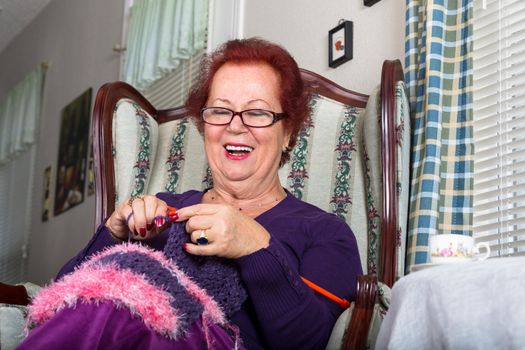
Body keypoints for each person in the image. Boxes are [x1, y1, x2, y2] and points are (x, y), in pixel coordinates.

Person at [19, 38, 362, 349]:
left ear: (288, 133)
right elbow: (59, 304)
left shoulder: (325, 232)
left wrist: (256, 248)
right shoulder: (164, 210)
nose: (235, 125)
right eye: (220, 110)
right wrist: (113, 233)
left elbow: (310, 343)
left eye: (257, 112)